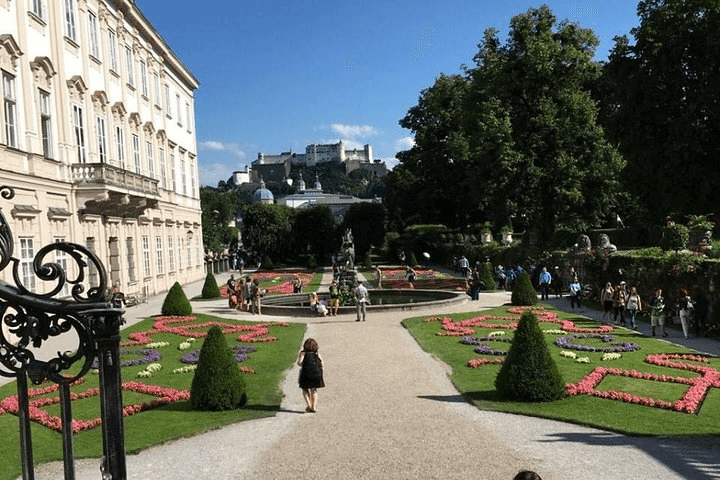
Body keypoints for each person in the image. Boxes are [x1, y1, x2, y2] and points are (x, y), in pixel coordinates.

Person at [297, 338, 324, 413]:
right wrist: (321, 372)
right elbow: (322, 363)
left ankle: (309, 405)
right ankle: (314, 406)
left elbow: (299, 363)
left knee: (305, 389)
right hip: (316, 373)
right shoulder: (317, 353)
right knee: (314, 389)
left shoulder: (303, 353)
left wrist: (300, 357)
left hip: (306, 373)